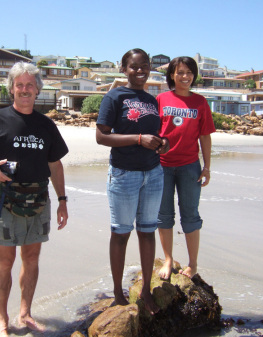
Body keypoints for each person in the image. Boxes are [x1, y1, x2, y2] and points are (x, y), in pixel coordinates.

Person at [0, 62, 69, 336]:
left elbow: (56, 165)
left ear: (38, 91)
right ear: (11, 88)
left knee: (32, 257)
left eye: (30, 85)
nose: (25, 90)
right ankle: (2, 320)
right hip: (5, 199)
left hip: (39, 198)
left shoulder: (46, 125)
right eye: (19, 85)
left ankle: (26, 313)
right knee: (5, 262)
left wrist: (62, 200)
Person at [96, 48, 169, 315]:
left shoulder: (152, 100)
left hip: (153, 172)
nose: (141, 70)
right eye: (134, 66)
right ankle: (117, 293)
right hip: (124, 173)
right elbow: (102, 137)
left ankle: (146, 292)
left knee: (147, 231)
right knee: (121, 232)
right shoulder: (114, 97)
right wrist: (139, 139)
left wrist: (163, 143)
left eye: (145, 66)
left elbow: (155, 133)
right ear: (124, 69)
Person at [156, 56, 216, 280]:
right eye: (180, 72)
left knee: (190, 216)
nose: (185, 76)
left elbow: (205, 135)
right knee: (163, 216)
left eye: (189, 72)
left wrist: (207, 166)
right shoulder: (161, 99)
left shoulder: (200, 102)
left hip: (190, 166)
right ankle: (168, 259)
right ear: (172, 74)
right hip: (161, 166)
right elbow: (153, 132)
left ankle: (193, 264)